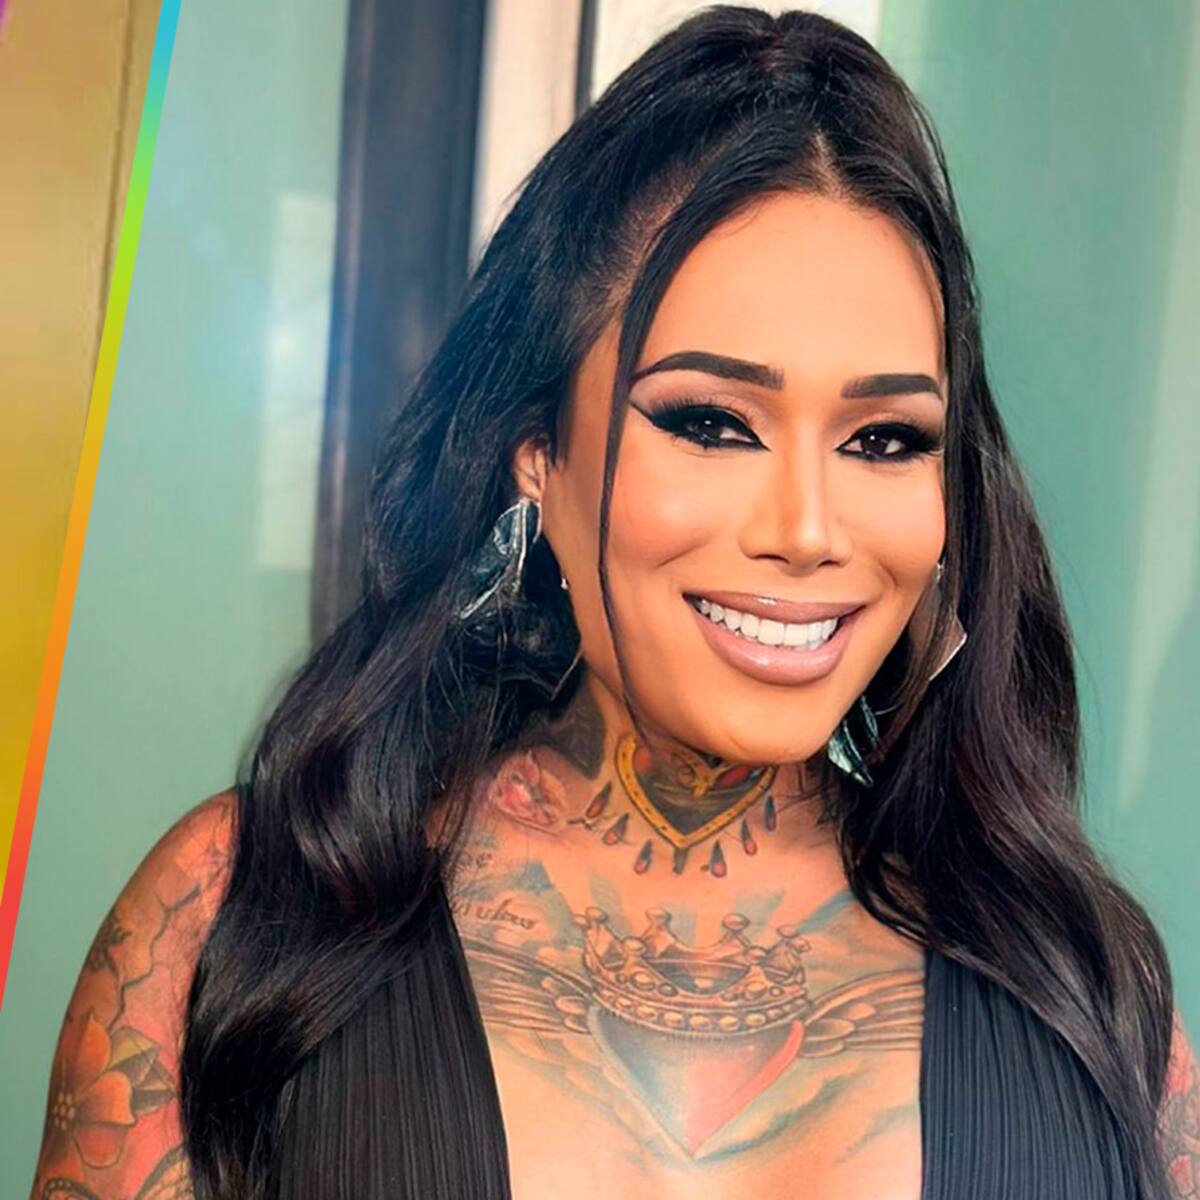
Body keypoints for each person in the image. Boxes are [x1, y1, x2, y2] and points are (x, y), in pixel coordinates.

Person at [29, 6, 1199, 1199]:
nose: (808, 529)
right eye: (711, 422)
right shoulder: (239, 913)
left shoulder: (1083, 984)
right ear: (537, 449)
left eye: (884, 439)